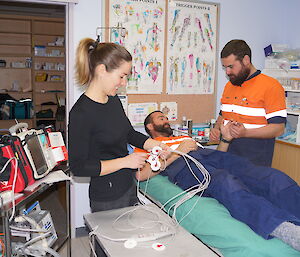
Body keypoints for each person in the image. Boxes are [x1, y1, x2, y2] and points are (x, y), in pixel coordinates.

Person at [135, 110, 300, 251]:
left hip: (210, 155)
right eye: (161, 118)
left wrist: (225, 139)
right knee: (224, 182)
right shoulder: (146, 146)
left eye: (166, 117)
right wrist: (178, 152)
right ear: (150, 126)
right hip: (183, 164)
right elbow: (141, 175)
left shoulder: (184, 138)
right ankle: (286, 231)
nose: (166, 120)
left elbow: (217, 155)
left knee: (270, 176)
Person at [68, 39, 169, 256]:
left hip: (127, 185)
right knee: (108, 249)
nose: (123, 82)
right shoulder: (81, 113)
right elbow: (79, 167)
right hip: (106, 197)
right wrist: (125, 161)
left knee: (129, 246)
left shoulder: (113, 101)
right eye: (122, 76)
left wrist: (153, 144)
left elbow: (128, 133)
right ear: (102, 70)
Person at [210, 39, 286, 167]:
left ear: (246, 60)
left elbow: (278, 128)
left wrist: (246, 133)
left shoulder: (271, 86)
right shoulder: (230, 85)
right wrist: (216, 129)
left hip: (254, 159)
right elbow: (223, 114)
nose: (227, 72)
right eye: (225, 67)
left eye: (231, 67)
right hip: (227, 156)